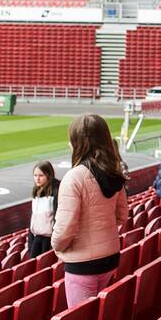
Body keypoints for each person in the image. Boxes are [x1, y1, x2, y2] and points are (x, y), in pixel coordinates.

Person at [52, 114, 129, 307]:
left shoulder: (74, 178)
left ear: (78, 142)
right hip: (110, 258)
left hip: (82, 265)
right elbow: (122, 216)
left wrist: (58, 246)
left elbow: (64, 229)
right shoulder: (114, 171)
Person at [28, 160, 59, 258]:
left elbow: (57, 218)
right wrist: (30, 240)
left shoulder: (55, 192)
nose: (37, 179)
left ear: (48, 175)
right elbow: (34, 219)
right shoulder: (36, 191)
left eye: (41, 175)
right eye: (35, 175)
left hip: (48, 240)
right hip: (36, 238)